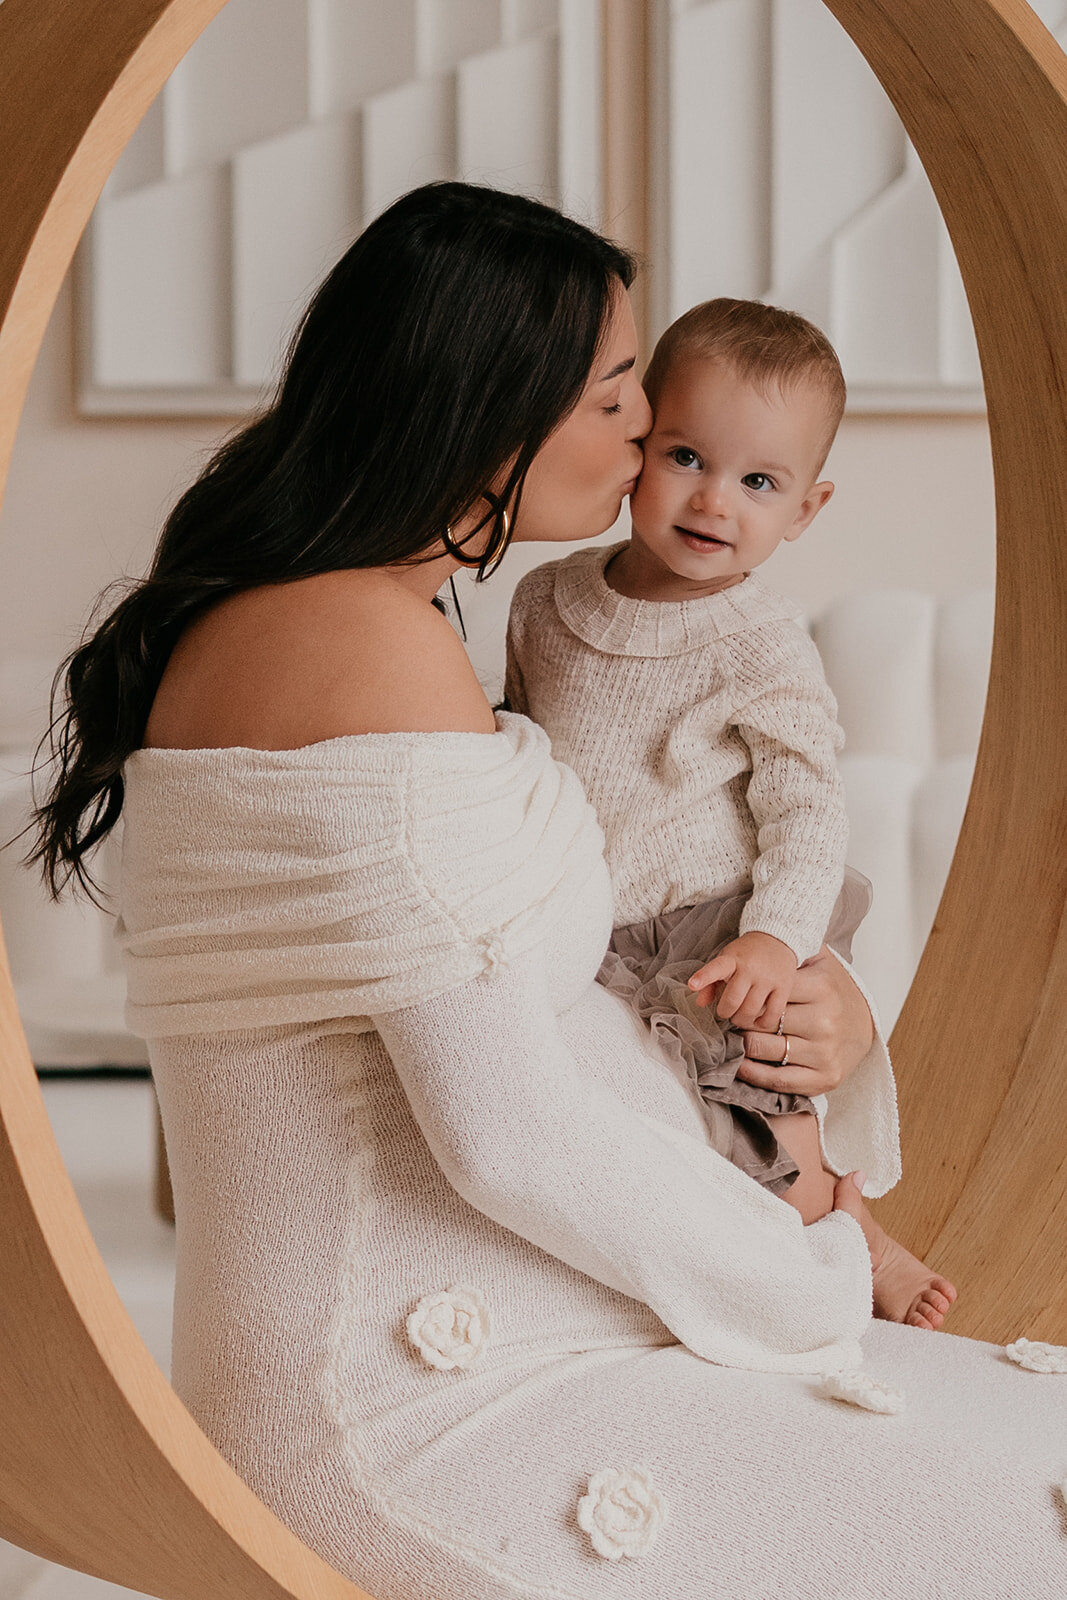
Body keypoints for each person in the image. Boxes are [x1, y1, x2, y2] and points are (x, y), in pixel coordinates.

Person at [31, 185, 1065, 1598]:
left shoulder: (351, 618)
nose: (647, 433)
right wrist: (805, 1268)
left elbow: (529, 985)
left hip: (489, 1332)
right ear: (484, 411)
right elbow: (505, 1132)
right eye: (615, 396)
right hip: (424, 1401)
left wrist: (818, 1021)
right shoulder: (361, 651)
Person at [504, 297, 957, 1331]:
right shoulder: (546, 600)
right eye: (685, 458)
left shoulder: (758, 644)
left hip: (720, 913)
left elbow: (806, 810)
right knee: (646, 1133)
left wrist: (772, 935)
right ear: (638, 446)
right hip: (598, 918)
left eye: (757, 482)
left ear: (804, 509)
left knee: (755, 1096)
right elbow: (526, 745)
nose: (713, 500)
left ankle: (844, 1233)